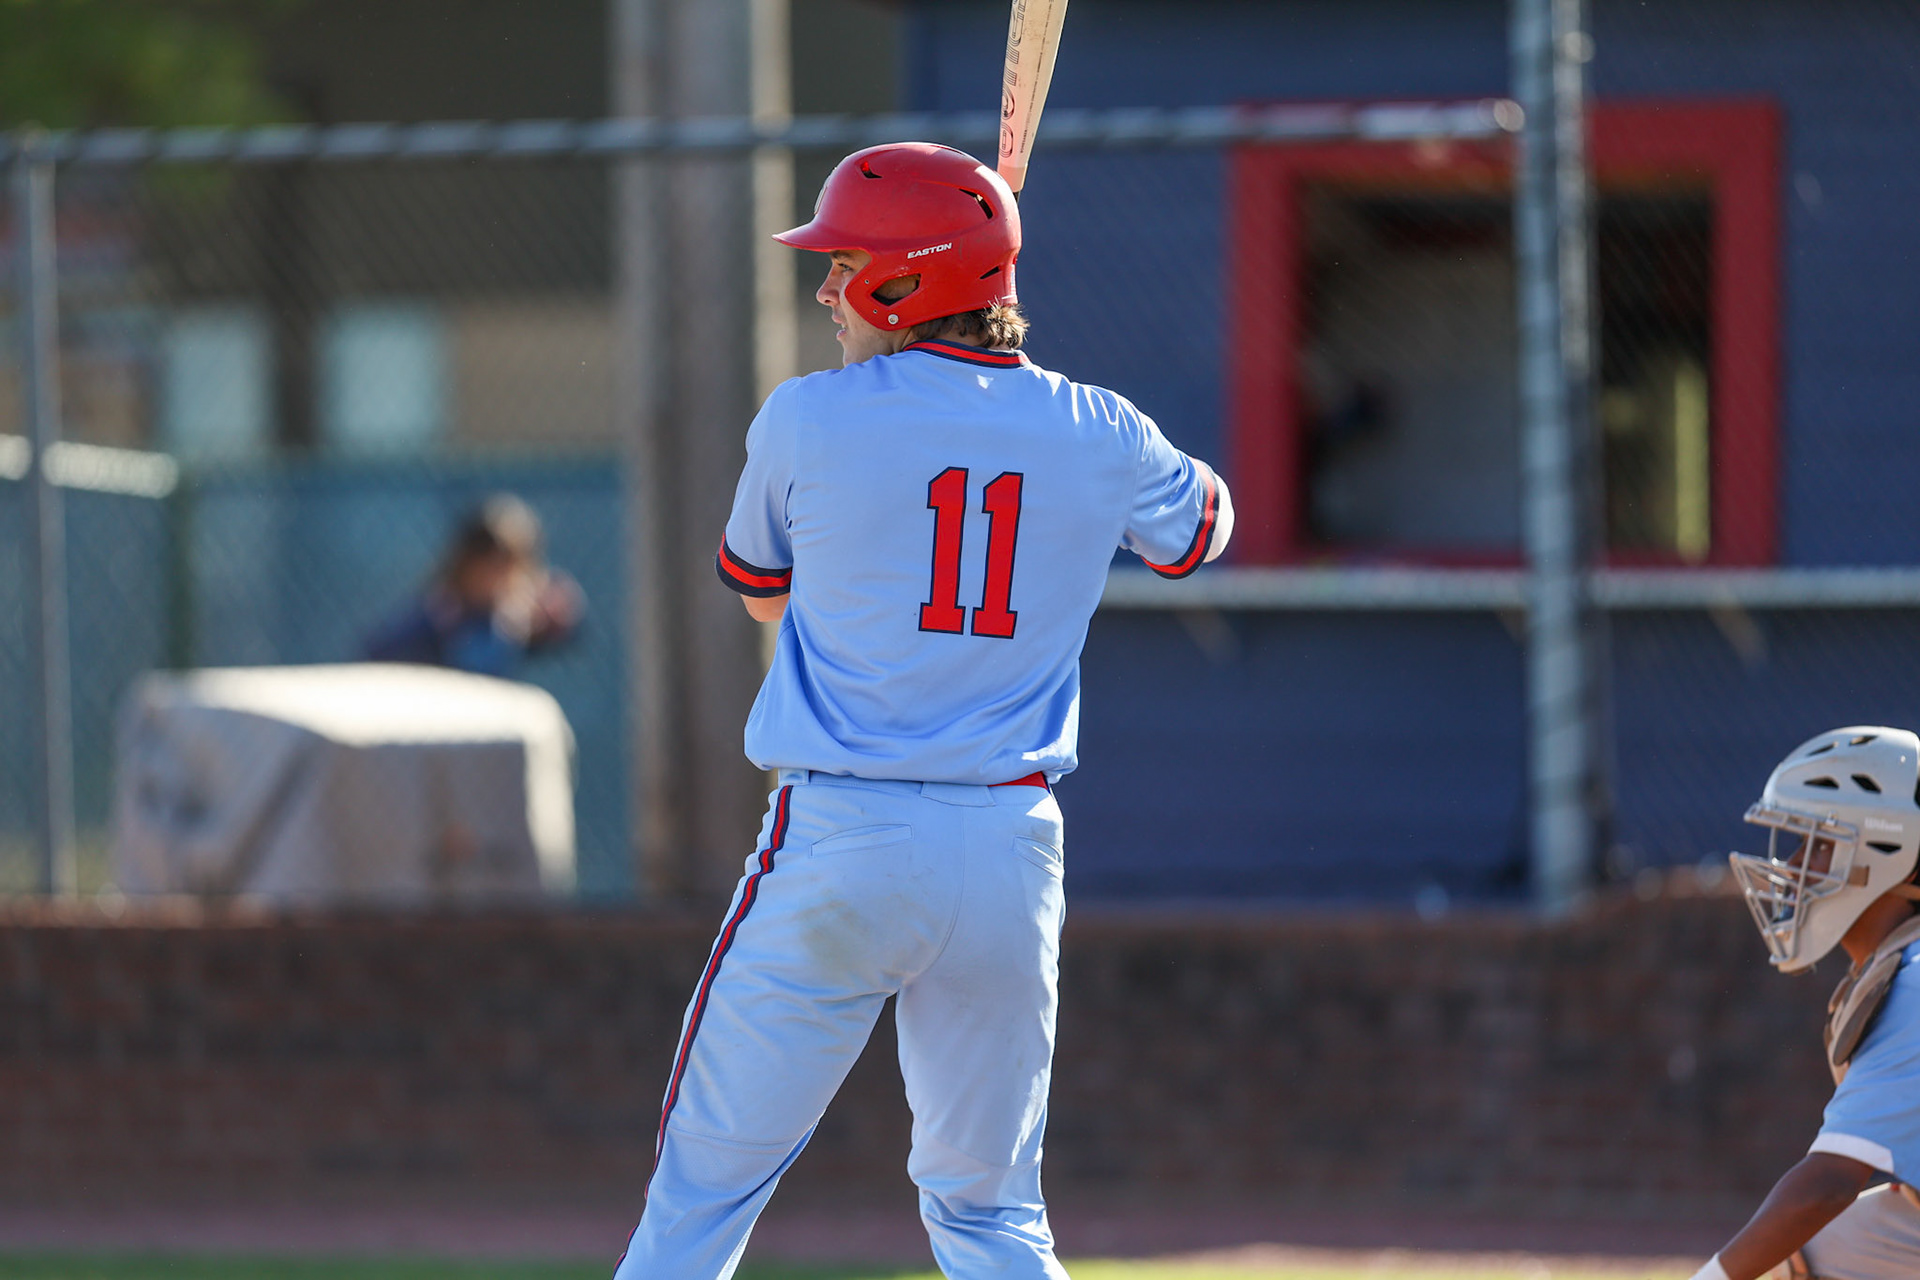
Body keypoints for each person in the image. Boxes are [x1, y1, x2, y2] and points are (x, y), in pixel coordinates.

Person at [615, 142, 1233, 1279]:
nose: (825, 288)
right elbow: (1201, 530)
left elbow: (759, 586)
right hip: (1008, 848)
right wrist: (1063, 434)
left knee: (701, 1194)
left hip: (841, 837)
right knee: (991, 1210)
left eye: (845, 262)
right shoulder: (1100, 425)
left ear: (906, 284)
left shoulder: (806, 417)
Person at [1691, 726, 1920, 1280]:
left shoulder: (1914, 984)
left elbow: (1825, 1188)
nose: (1792, 866)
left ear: (1887, 851)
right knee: (1796, 1258)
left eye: (1817, 843)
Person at [361, 493, 584, 679]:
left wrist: (542, 622)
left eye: (508, 567)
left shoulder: (516, 611)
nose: (497, 578)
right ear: (466, 565)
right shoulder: (443, 612)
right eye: (490, 566)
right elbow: (378, 651)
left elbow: (566, 628)